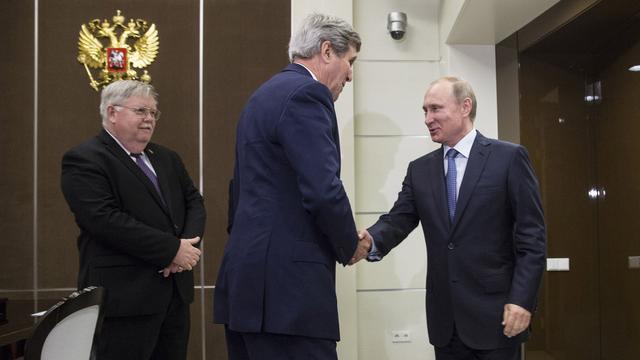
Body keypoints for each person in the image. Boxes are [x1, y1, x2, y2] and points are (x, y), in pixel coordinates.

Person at [213, 13, 370, 360]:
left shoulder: (261, 97)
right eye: (350, 61)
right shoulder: (307, 94)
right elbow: (322, 189)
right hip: (287, 297)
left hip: (247, 288)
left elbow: (238, 191)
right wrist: (348, 244)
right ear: (327, 51)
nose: (351, 75)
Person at [358, 77, 546, 359]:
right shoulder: (420, 170)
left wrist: (522, 300)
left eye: (435, 109)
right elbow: (399, 219)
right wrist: (369, 241)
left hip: (498, 319)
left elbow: (532, 238)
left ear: (464, 107)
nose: (427, 118)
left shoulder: (509, 158)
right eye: (425, 110)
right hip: (446, 324)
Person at [61, 80, 206, 360]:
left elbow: (194, 201)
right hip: (124, 299)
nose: (149, 119)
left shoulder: (167, 158)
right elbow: (104, 220)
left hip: (174, 294)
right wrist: (171, 250)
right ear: (112, 112)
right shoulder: (85, 159)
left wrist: (186, 247)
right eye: (141, 111)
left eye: (153, 113)